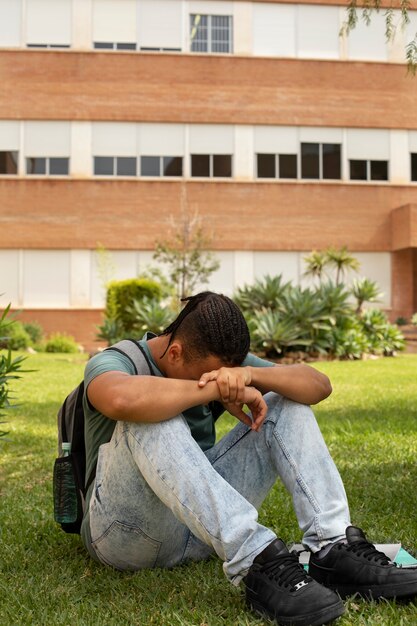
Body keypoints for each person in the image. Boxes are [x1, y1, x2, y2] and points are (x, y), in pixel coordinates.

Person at [80, 291, 417, 626]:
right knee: (149, 412)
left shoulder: (222, 362)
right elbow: (120, 399)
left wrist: (249, 376)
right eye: (211, 375)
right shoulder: (116, 360)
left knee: (288, 401)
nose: (221, 380)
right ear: (177, 351)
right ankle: (256, 558)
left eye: (223, 376)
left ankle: (332, 546)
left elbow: (319, 384)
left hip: (199, 528)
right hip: (125, 536)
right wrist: (215, 389)